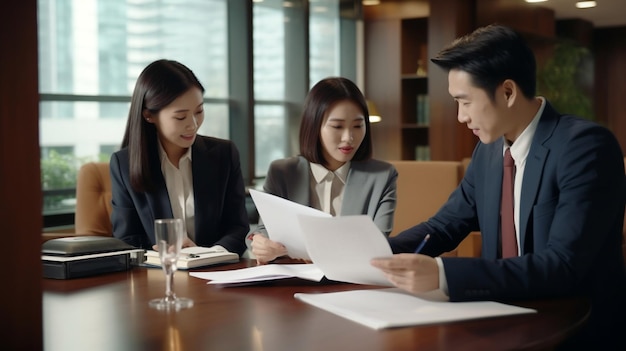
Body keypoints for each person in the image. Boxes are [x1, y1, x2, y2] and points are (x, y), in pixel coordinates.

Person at [370, 24, 626, 350]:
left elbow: (563, 264)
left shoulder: (584, 147)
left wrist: (443, 274)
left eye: (464, 102)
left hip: (575, 328)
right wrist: (375, 255)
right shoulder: (489, 151)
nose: (460, 117)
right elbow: (444, 226)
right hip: (500, 322)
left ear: (507, 92)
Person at [249, 77, 398, 264]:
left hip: (353, 282)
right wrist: (261, 243)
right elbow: (264, 231)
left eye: (358, 126)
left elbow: (376, 245)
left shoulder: (382, 177)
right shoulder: (282, 172)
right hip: (293, 282)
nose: (348, 137)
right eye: (337, 126)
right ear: (314, 126)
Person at [110, 59, 249, 255]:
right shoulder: (123, 164)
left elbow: (238, 228)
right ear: (149, 115)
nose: (193, 124)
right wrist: (166, 254)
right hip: (157, 277)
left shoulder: (224, 154)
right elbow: (127, 239)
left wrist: (204, 254)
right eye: (180, 117)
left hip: (215, 273)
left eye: (199, 111)